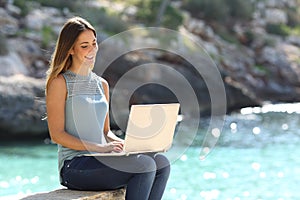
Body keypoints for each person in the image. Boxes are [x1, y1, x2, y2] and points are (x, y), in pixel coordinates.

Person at [45, 16, 170, 200]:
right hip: (75, 166)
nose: (92, 50)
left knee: (161, 163)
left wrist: (128, 146)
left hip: (102, 159)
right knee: (144, 166)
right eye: (84, 45)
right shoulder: (60, 83)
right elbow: (57, 135)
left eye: (94, 43)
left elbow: (105, 132)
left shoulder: (101, 84)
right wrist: (100, 148)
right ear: (71, 49)